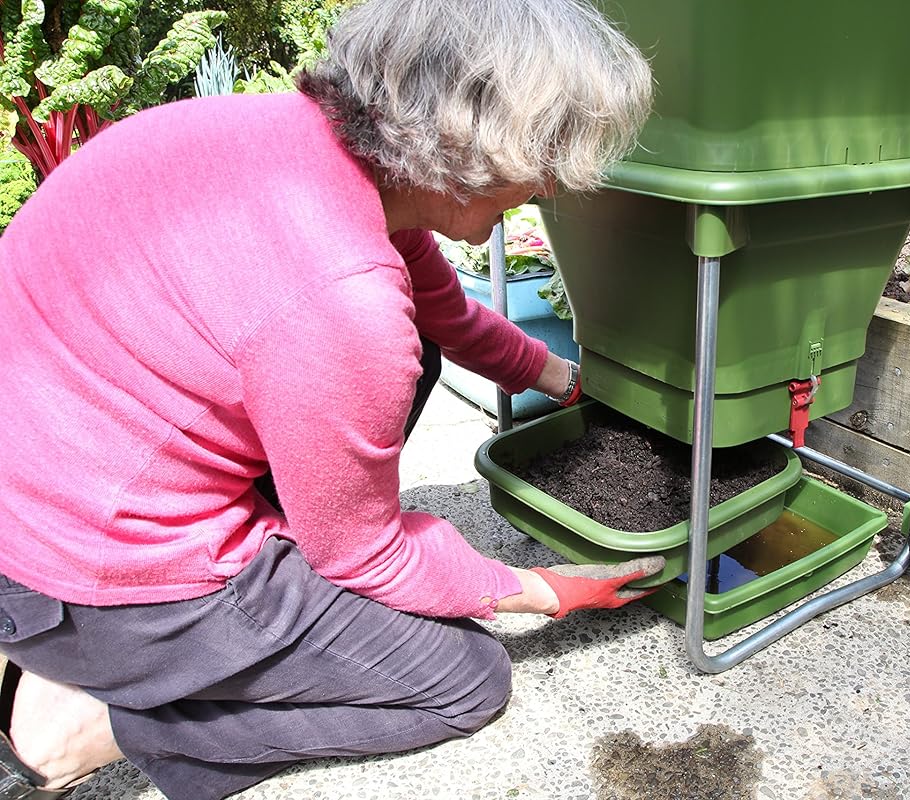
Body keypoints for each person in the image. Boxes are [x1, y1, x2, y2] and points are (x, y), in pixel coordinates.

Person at [0, 0, 658, 797]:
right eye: (545, 156)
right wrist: (541, 590)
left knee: (412, 350)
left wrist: (567, 378)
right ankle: (85, 725)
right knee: (464, 679)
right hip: (91, 578)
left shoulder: (291, 144)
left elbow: (444, 315)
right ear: (467, 145)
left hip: (47, 493)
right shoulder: (339, 298)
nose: (548, 185)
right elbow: (362, 553)